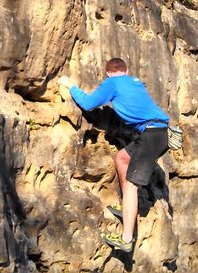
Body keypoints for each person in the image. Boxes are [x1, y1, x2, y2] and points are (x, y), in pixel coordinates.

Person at [58, 58, 170, 252]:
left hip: (151, 135)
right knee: (121, 158)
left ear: (108, 73)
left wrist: (71, 86)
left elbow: (88, 103)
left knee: (132, 187)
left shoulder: (112, 82)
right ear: (126, 70)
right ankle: (127, 205)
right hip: (157, 133)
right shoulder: (134, 82)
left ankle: (126, 240)